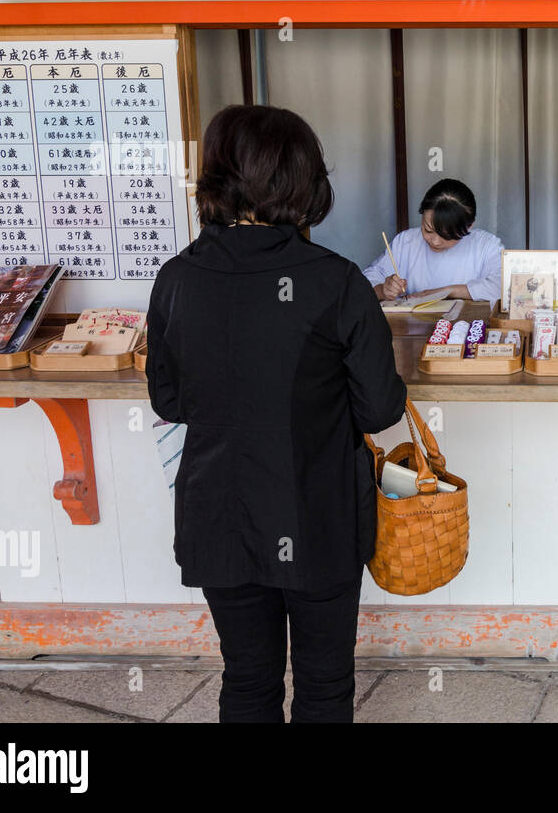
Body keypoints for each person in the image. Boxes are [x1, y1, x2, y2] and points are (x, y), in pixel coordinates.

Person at [145, 104, 406, 723]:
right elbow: (379, 410)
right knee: (322, 686)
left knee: (247, 679)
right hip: (318, 518)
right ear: (304, 184)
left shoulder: (177, 279)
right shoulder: (337, 282)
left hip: (219, 518)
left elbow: (169, 401)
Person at [363, 178, 502, 304]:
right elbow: (366, 281)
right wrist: (382, 289)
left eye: (446, 236)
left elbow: (504, 287)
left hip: (466, 329)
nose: (435, 241)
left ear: (469, 227)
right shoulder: (405, 241)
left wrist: (447, 292)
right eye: (428, 229)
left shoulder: (487, 246)